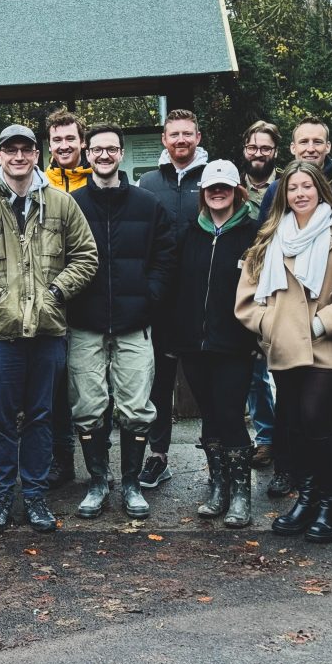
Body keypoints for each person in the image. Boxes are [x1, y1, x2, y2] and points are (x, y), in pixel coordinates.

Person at [0, 124, 98, 534]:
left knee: (41, 418)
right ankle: (0, 497)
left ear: (38, 154)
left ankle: (34, 496)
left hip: (49, 331)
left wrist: (55, 292)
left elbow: (86, 256)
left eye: (26, 149)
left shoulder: (63, 204)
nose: (18, 156)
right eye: (10, 150)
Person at [236, 161, 332, 543]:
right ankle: (308, 497)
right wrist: (271, 326)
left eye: (307, 187)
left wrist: (318, 325)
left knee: (317, 416)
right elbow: (247, 299)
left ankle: (330, 505)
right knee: (296, 422)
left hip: (326, 344)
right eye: (292, 188)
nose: (300, 193)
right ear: (284, 195)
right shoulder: (269, 239)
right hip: (283, 343)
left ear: (320, 191)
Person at [258, 117, 332, 505]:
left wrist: (324, 322)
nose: (310, 147)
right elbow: (257, 266)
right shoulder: (275, 194)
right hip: (286, 330)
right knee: (291, 406)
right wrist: (268, 324)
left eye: (317, 141)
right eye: (302, 141)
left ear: (327, 146)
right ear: (291, 148)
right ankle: (291, 473)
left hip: (329, 332)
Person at [67, 123, 174, 520]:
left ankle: (130, 484)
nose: (104, 155)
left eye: (111, 149)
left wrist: (149, 296)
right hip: (85, 323)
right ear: (86, 153)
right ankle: (98, 482)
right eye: (97, 149)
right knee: (89, 406)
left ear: (121, 153)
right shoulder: (71, 205)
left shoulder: (147, 204)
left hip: (134, 324)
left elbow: (166, 255)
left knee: (135, 407)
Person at [170, 160, 259, 527]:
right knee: (209, 417)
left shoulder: (254, 235)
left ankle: (241, 494)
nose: (217, 192)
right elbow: (176, 288)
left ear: (237, 190)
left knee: (230, 414)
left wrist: (257, 335)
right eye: (211, 188)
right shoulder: (189, 233)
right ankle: (218, 487)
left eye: (225, 186)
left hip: (235, 344)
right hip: (194, 345)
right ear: (203, 193)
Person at [137, 109, 209, 490]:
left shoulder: (215, 178)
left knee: (206, 384)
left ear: (198, 137)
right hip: (161, 302)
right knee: (158, 384)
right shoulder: (148, 182)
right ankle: (157, 454)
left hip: (202, 301)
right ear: (164, 139)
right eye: (173, 134)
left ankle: (217, 459)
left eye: (187, 133)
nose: (180, 140)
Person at [43, 108, 91, 488]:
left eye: (69, 139)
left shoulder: (98, 180)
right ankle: (62, 460)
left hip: (89, 298)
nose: (63, 145)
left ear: (82, 142)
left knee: (90, 386)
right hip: (51, 301)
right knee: (56, 388)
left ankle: (98, 463)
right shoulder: (40, 183)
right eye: (57, 140)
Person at [240, 122, 280, 474]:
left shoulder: (286, 187)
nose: (258, 154)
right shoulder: (231, 187)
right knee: (255, 373)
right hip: (246, 289)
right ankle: (266, 438)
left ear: (275, 152)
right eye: (253, 147)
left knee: (286, 368)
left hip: (281, 288)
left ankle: (291, 440)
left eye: (265, 148)